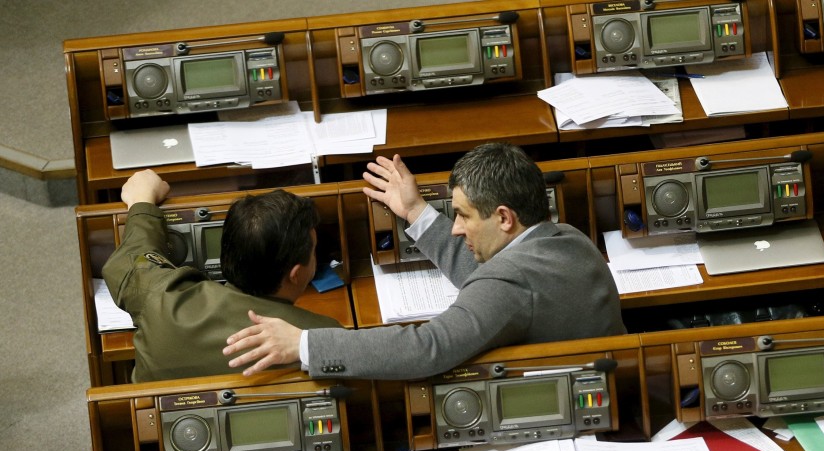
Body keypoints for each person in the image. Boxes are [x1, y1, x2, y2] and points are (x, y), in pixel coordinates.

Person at [223, 142, 626, 380]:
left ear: (504, 217)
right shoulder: (568, 238)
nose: (455, 229)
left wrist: (303, 344)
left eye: (464, 215)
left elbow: (427, 348)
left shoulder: (509, 284)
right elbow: (490, 282)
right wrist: (416, 212)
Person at [103, 169, 341, 382]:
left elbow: (128, 265)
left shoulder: (163, 301)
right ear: (296, 274)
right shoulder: (322, 339)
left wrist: (142, 202)